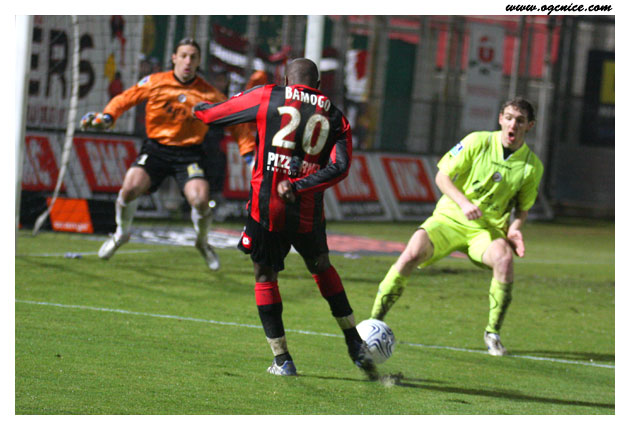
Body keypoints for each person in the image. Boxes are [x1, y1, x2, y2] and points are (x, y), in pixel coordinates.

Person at [193, 58, 378, 379]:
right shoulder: (336, 115)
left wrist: (199, 107)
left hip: (268, 208)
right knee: (322, 267)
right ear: (318, 85)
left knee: (265, 275)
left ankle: (283, 359)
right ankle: (354, 341)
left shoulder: (269, 95)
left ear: (285, 80)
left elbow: (213, 116)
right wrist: (300, 186)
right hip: (307, 210)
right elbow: (340, 168)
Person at [370, 97, 544, 356]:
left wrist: (515, 228)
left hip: (485, 232)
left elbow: (523, 208)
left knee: (504, 259)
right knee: (412, 253)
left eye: (520, 121)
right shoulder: (477, 141)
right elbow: (442, 176)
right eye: (508, 118)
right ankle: (374, 322)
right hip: (449, 219)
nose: (513, 125)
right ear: (500, 119)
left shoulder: (531, 166)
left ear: (530, 125)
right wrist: (463, 203)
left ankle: (493, 334)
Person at [80, 38, 255, 271]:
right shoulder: (155, 82)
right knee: (130, 188)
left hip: (189, 154)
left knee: (200, 200)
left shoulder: (209, 94)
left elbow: (237, 124)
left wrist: (249, 156)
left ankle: (202, 242)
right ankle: (121, 233)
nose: (188, 61)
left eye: (193, 57)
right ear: (174, 58)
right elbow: (125, 99)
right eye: (183, 56)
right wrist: (108, 117)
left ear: (199, 61)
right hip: (156, 149)